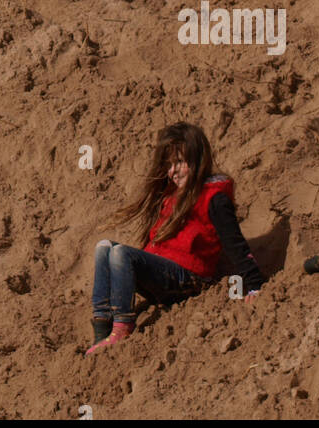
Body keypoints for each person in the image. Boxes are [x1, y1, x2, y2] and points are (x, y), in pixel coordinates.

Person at [86, 122, 265, 354]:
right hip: (164, 274)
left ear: (198, 159)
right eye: (169, 164)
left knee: (121, 253)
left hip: (189, 279)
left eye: (179, 162)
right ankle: (102, 326)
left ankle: (122, 326)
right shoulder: (172, 194)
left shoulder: (214, 198)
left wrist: (254, 285)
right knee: (104, 247)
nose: (173, 171)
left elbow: (234, 244)